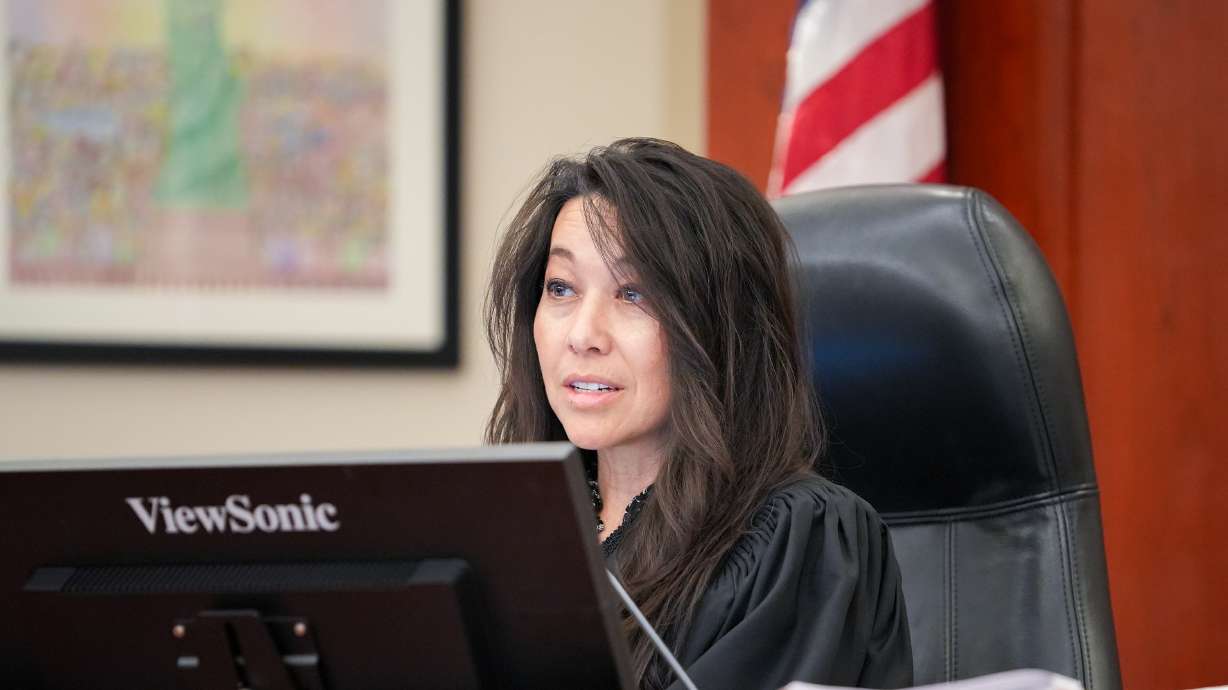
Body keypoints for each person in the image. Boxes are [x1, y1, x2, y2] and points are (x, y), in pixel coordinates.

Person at [485, 138, 912, 690]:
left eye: (634, 293)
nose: (583, 334)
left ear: (717, 327)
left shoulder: (801, 539)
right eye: (561, 287)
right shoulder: (518, 528)